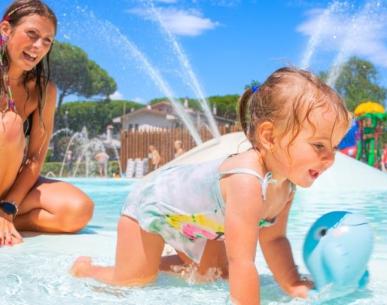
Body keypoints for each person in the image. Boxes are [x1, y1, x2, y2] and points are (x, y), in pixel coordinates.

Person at [71, 67, 351, 305]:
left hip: (199, 224)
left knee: (216, 273)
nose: (330, 159)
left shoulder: (286, 186)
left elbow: (274, 239)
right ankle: (88, 269)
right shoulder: (245, 181)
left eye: (335, 147)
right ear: (269, 136)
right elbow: (244, 262)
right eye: (319, 146)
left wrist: (291, 283)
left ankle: (163, 257)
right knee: (134, 280)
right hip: (152, 206)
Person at [0, 0, 94, 247]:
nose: (38, 46)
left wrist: (9, 207)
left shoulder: (43, 91)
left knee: (79, 209)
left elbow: (35, 159)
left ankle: (5, 219)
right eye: (32, 34)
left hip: (10, 186)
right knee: (9, 124)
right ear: (5, 30)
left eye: (47, 40)